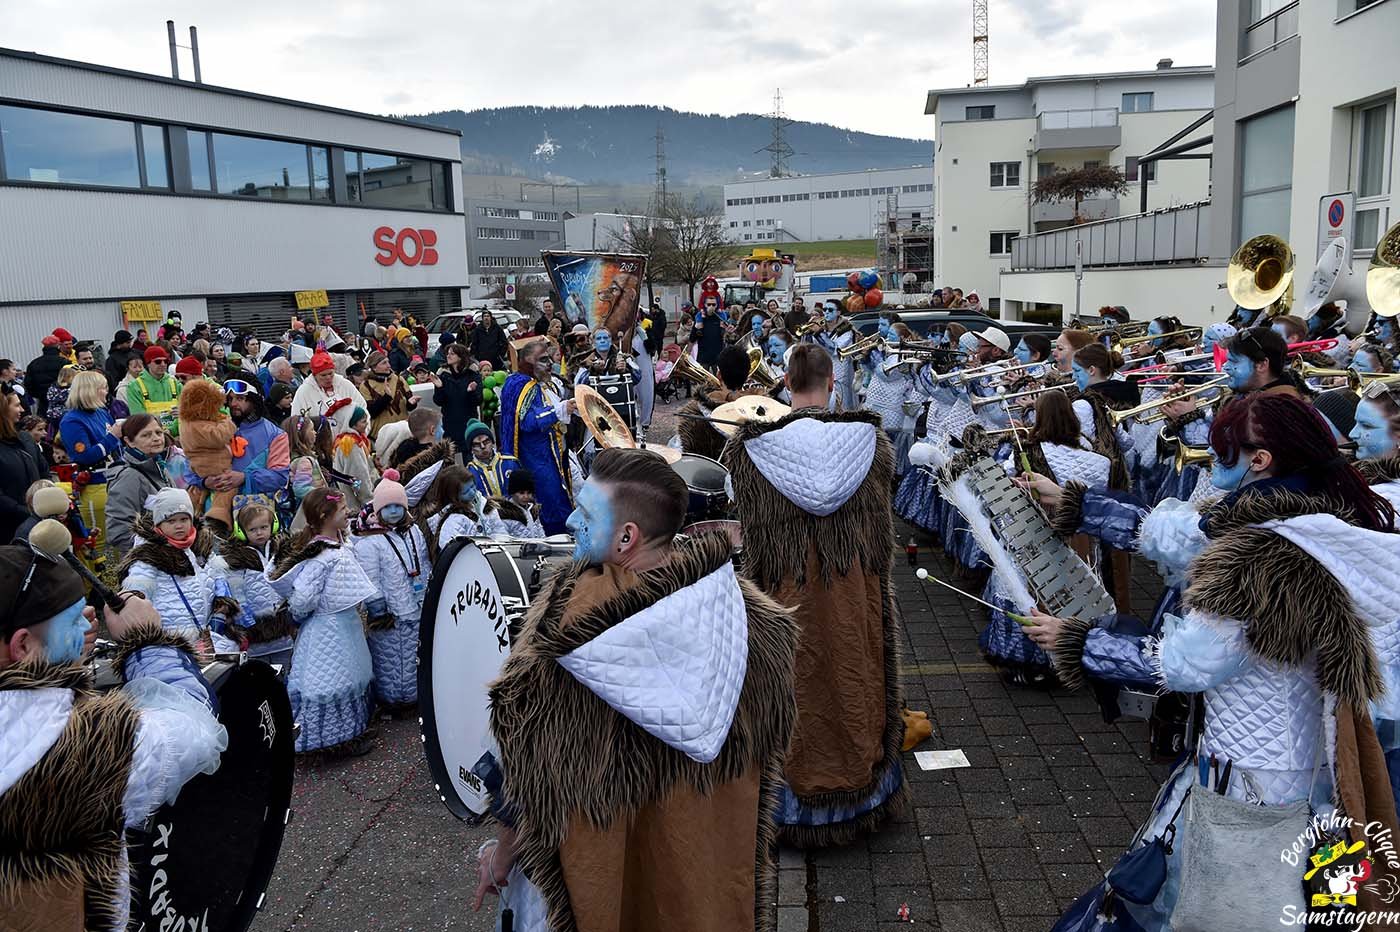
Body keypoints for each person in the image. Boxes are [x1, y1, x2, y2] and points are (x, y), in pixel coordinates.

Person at [1027, 393, 1400, 930]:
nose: (1210, 455)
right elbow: (1188, 535)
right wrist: (1076, 504)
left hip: (1252, 778)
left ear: (1260, 460)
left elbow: (1187, 664)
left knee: (1231, 905)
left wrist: (1076, 640)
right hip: (1301, 762)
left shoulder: (1258, 553)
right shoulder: (1312, 513)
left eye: (1223, 449)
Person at [472, 447, 798, 930]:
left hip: (595, 887)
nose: (571, 524)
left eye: (584, 514)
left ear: (626, 537)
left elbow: (526, 780)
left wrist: (501, 858)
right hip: (703, 878)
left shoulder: (568, 630)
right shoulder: (748, 621)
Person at [724, 343, 906, 846]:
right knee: (856, 675)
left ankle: (795, 807)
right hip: (853, 590)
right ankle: (861, 792)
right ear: (831, 382)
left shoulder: (753, 449)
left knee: (795, 683)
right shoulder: (867, 440)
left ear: (786, 381)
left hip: (788, 591)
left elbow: (743, 524)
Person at [0, 549, 227, 931]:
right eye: (75, 621)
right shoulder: (78, 748)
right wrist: (146, 642)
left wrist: (58, 646)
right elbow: (195, 729)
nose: (87, 624)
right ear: (22, 646)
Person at [270, 487, 378, 756]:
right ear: (324, 515)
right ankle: (331, 742)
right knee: (330, 682)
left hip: (345, 625)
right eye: (342, 510)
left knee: (351, 676)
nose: (348, 513)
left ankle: (352, 732)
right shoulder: (319, 556)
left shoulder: (339, 544)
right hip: (327, 630)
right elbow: (304, 597)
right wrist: (299, 616)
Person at [117, 487, 233, 653]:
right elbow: (136, 593)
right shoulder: (149, 556)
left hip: (206, 637)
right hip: (170, 641)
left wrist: (222, 607)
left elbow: (219, 578)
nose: (179, 526)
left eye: (184, 519)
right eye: (171, 521)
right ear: (159, 524)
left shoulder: (202, 548)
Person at [354, 470, 429, 711]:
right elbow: (370, 578)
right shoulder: (370, 542)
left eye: (399, 506)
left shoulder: (413, 531)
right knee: (391, 656)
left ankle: (415, 694)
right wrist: (377, 605)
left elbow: (423, 562)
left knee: (412, 654)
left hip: (415, 604)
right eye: (388, 507)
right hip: (391, 611)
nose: (395, 511)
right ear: (377, 510)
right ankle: (394, 699)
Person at [498, 340, 574, 535]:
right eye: (543, 360)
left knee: (567, 497)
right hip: (538, 458)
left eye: (549, 358)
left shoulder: (543, 384)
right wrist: (558, 411)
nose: (549, 364)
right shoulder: (521, 385)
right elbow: (527, 422)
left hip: (556, 455)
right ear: (528, 362)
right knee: (551, 504)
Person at [209, 502, 292, 667]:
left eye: (263, 527)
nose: (259, 533)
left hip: (284, 632)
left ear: (274, 525)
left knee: (287, 672)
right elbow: (233, 592)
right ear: (241, 531)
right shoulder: (234, 559)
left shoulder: (283, 551)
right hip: (253, 633)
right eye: (253, 529)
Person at [212, 381, 292, 517]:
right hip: (217, 510)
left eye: (240, 398)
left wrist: (244, 477)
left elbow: (279, 477)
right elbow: (194, 466)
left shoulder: (275, 434)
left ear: (254, 400)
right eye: (230, 399)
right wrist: (204, 481)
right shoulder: (216, 428)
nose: (233, 404)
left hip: (256, 517)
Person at [104, 414, 174, 557]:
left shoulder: (159, 465)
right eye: (146, 435)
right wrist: (153, 555)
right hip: (150, 566)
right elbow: (119, 530)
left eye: (158, 432)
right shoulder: (128, 476)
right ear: (129, 442)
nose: (156, 438)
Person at [675, 346, 754, 460]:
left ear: (719, 375)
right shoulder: (764, 410)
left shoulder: (693, 415)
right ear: (747, 377)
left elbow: (682, 455)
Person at [0, 384, 44, 544]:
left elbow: (43, 473)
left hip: (36, 527)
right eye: (17, 405)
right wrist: (27, 512)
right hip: (8, 534)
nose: (22, 410)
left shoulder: (26, 441)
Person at [419, 465, 485, 558]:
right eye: (465, 492)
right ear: (452, 496)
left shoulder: (481, 502)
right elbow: (449, 549)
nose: (472, 492)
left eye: (472, 486)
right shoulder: (454, 520)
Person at [292, 350, 361, 434]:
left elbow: (362, 408)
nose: (328, 377)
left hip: (350, 440)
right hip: (320, 443)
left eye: (331, 373)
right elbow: (298, 421)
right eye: (323, 375)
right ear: (314, 375)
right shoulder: (303, 392)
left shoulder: (345, 385)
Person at [432, 342, 481, 453]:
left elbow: (478, 400)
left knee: (469, 455)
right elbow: (438, 401)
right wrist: (439, 387)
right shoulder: (442, 374)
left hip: (469, 420)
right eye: (447, 353)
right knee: (449, 456)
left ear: (461, 356)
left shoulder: (472, 373)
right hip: (450, 422)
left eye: (452, 354)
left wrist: (470, 392)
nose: (448, 356)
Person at [360, 350, 416, 441]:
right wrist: (386, 397)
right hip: (381, 434)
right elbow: (371, 412)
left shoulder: (398, 379)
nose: (389, 366)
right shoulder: (366, 385)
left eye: (388, 362)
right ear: (374, 367)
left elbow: (409, 404)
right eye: (384, 363)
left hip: (403, 431)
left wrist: (412, 403)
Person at [332, 407, 379, 512]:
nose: (367, 424)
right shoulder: (351, 444)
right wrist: (369, 501)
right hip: (357, 505)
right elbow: (358, 476)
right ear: (352, 424)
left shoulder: (344, 439)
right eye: (363, 421)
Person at [482, 468, 545, 538]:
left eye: (529, 493)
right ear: (512, 492)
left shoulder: (533, 511)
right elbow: (502, 538)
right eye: (521, 493)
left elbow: (541, 534)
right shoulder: (505, 513)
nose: (526, 496)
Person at [126, 345, 181, 420]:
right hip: (150, 431)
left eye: (165, 361)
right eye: (158, 361)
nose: (163, 364)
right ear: (148, 363)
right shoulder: (134, 387)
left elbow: (188, 410)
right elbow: (138, 418)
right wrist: (163, 418)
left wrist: (182, 413)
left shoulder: (175, 383)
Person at [25, 337, 66, 418]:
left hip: (43, 404)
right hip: (62, 404)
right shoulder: (64, 362)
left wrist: (40, 395)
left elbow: (28, 385)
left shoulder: (33, 364)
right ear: (58, 346)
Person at [692, 293, 728, 371]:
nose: (711, 307)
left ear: (716, 305)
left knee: (719, 381)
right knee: (703, 380)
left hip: (718, 357)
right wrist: (696, 328)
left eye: (713, 304)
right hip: (703, 357)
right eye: (708, 304)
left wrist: (728, 330)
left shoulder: (720, 318)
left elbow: (726, 337)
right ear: (704, 305)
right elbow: (692, 338)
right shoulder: (700, 318)